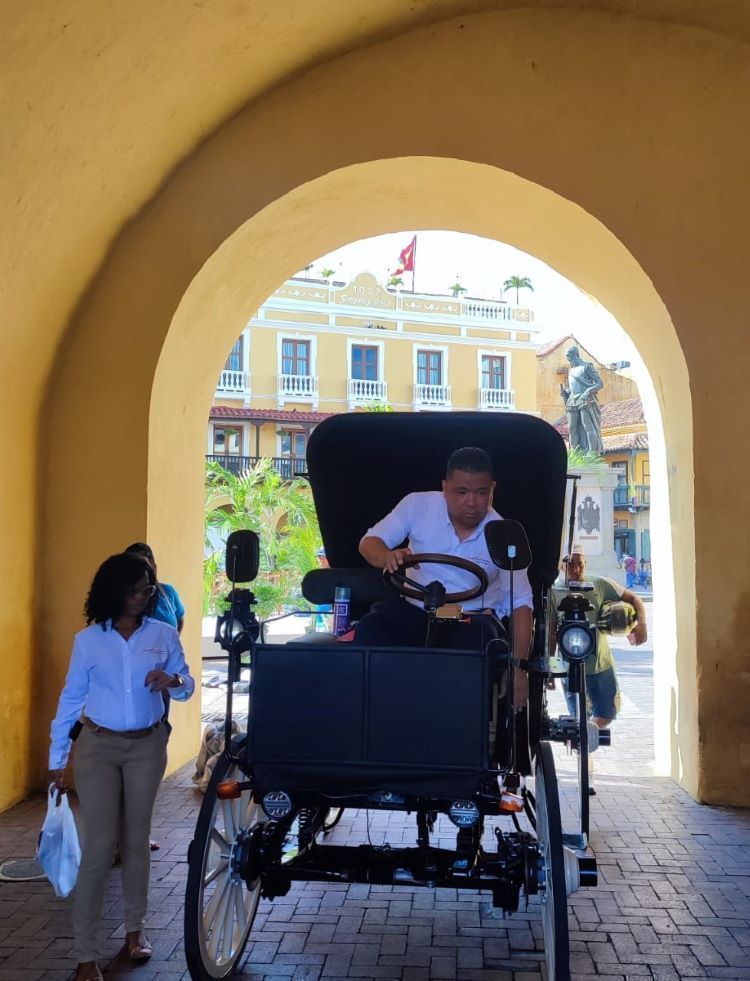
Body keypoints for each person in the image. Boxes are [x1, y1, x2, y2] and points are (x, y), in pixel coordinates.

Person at [49, 552, 195, 981]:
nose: (138, 598)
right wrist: (57, 761)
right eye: (131, 590)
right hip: (97, 747)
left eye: (146, 590)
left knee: (135, 841)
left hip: (147, 748)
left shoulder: (163, 634)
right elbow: (70, 699)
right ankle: (85, 954)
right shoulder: (89, 640)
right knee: (98, 848)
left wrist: (174, 682)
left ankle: (135, 933)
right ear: (113, 591)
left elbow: (187, 684)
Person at [356, 446, 533, 707]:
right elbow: (369, 542)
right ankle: (372, 716)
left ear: (492, 490)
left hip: (471, 619)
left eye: (481, 492)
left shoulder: (505, 535)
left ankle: (459, 728)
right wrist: (387, 557)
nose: (471, 502)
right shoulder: (417, 505)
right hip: (416, 610)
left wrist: (519, 669)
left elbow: (521, 603)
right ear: (445, 488)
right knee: (372, 628)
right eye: (462, 492)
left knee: (481, 648)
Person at [551, 545, 647, 790]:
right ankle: (585, 766)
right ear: (562, 565)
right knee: (576, 722)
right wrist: (548, 666)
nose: (576, 568)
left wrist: (640, 625)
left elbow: (634, 599)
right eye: (571, 563)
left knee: (607, 711)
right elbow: (549, 632)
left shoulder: (599, 584)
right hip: (570, 666)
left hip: (600, 664)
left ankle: (588, 735)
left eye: (580, 563)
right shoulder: (553, 592)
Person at [125, 542, 185, 633]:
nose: (144, 574)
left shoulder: (168, 592)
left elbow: (180, 619)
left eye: (148, 568)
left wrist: (172, 641)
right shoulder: (123, 596)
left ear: (155, 567)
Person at [559, 345, 604, 453]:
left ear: (575, 354)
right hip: (572, 400)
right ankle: (575, 454)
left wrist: (588, 391)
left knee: (588, 426)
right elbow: (572, 388)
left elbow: (600, 384)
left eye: (569, 356)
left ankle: (592, 454)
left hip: (584, 399)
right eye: (567, 356)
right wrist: (565, 392)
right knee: (572, 428)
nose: (568, 358)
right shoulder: (571, 369)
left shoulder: (587, 367)